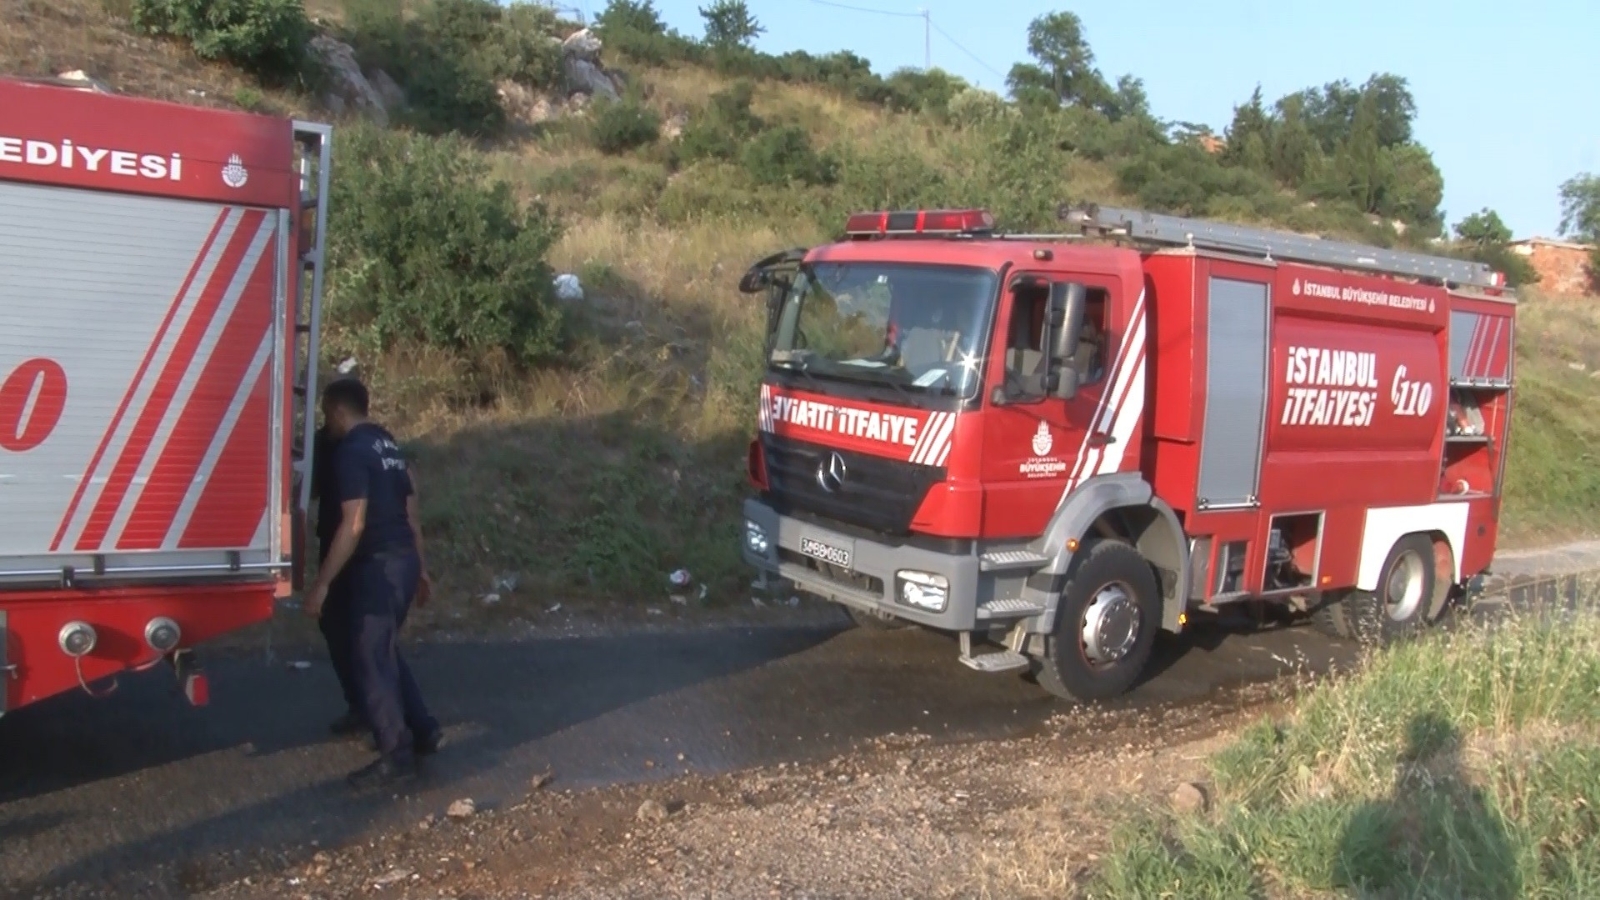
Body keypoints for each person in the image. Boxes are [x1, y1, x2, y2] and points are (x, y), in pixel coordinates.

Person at [304, 378, 441, 788]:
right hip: (400, 560)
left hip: (377, 566)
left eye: (327, 415)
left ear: (337, 411)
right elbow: (411, 514)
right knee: (380, 649)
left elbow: (355, 522)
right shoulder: (389, 447)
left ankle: (395, 752)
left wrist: (322, 583)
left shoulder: (351, 452)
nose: (326, 423)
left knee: (369, 655)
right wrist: (421, 568)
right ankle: (424, 729)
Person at [310, 418, 366, 739]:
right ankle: (363, 706)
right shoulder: (377, 442)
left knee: (357, 632)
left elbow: (353, 522)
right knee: (341, 626)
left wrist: (322, 583)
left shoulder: (345, 448)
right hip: (342, 543)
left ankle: (374, 712)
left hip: (345, 544)